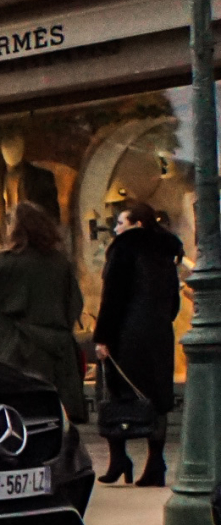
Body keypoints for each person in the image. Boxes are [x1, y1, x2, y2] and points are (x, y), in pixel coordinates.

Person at [0, 200, 86, 421]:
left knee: (20, 412)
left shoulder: (10, 263)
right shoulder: (60, 263)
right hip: (56, 351)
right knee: (52, 412)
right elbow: (74, 304)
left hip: (18, 350)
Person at [92, 201, 183, 486]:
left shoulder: (125, 248)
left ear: (137, 224)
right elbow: (173, 301)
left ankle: (119, 458)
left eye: (120, 222)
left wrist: (102, 336)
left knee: (117, 394)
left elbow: (113, 297)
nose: (116, 228)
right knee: (155, 398)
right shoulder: (166, 253)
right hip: (158, 334)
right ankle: (155, 464)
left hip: (127, 333)